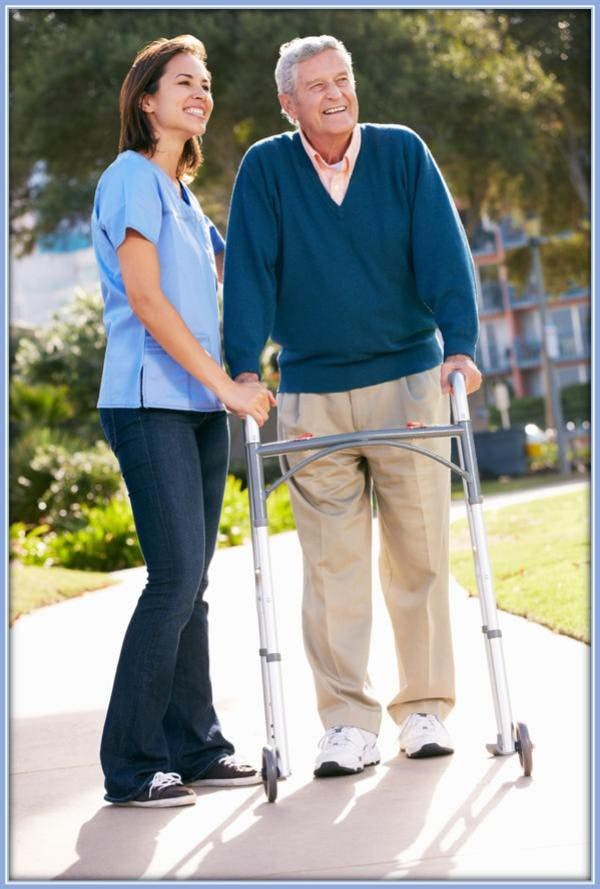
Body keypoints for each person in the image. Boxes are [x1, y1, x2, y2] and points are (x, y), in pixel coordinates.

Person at [223, 35, 482, 778]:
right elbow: (248, 271)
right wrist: (244, 367)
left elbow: (443, 252)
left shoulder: (401, 153)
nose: (335, 93)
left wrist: (459, 345)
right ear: (287, 102)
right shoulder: (267, 169)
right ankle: (346, 724)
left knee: (420, 551)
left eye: (343, 79)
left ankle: (426, 708)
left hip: (409, 379)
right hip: (309, 388)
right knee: (332, 564)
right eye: (316, 85)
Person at [91, 34, 275, 807]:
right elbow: (146, 299)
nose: (200, 94)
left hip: (196, 406)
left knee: (192, 581)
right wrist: (224, 388)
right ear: (147, 100)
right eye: (182, 83)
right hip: (147, 403)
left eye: (206, 84)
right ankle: (131, 764)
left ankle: (195, 747)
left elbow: (238, 288)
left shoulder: (191, 202)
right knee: (172, 578)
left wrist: (239, 380)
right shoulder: (132, 177)